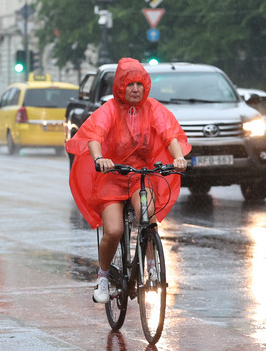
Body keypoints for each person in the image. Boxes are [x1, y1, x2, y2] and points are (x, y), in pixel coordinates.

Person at [65, 57, 191, 304]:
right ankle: (103, 277)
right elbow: (94, 135)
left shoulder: (153, 108)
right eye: (130, 84)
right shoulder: (109, 110)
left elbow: (169, 134)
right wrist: (100, 158)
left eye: (139, 84)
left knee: (148, 219)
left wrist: (179, 158)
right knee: (113, 230)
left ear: (146, 86)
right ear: (121, 87)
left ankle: (153, 267)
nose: (135, 89)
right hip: (113, 176)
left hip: (140, 177)